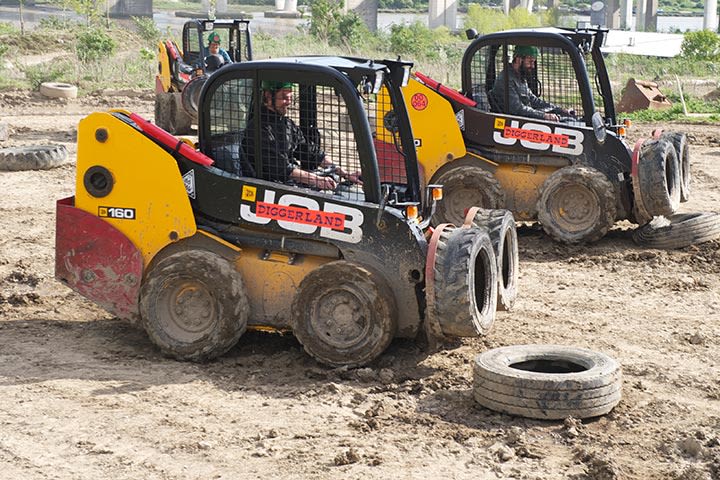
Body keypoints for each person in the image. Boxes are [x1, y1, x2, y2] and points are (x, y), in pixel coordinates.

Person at [242, 80, 360, 191]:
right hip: (270, 186)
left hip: (287, 182)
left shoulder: (287, 124)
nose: (288, 102)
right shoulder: (258, 129)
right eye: (284, 98)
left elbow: (310, 152)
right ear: (268, 96)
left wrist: (344, 173)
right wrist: (316, 180)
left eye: (290, 98)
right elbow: (281, 169)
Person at [489, 45, 574, 122]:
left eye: (533, 62)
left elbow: (534, 100)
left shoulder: (520, 76)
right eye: (530, 62)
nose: (532, 66)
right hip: (515, 122)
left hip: (525, 118)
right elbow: (517, 109)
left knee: (569, 119)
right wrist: (544, 116)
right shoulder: (506, 79)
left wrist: (559, 109)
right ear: (519, 60)